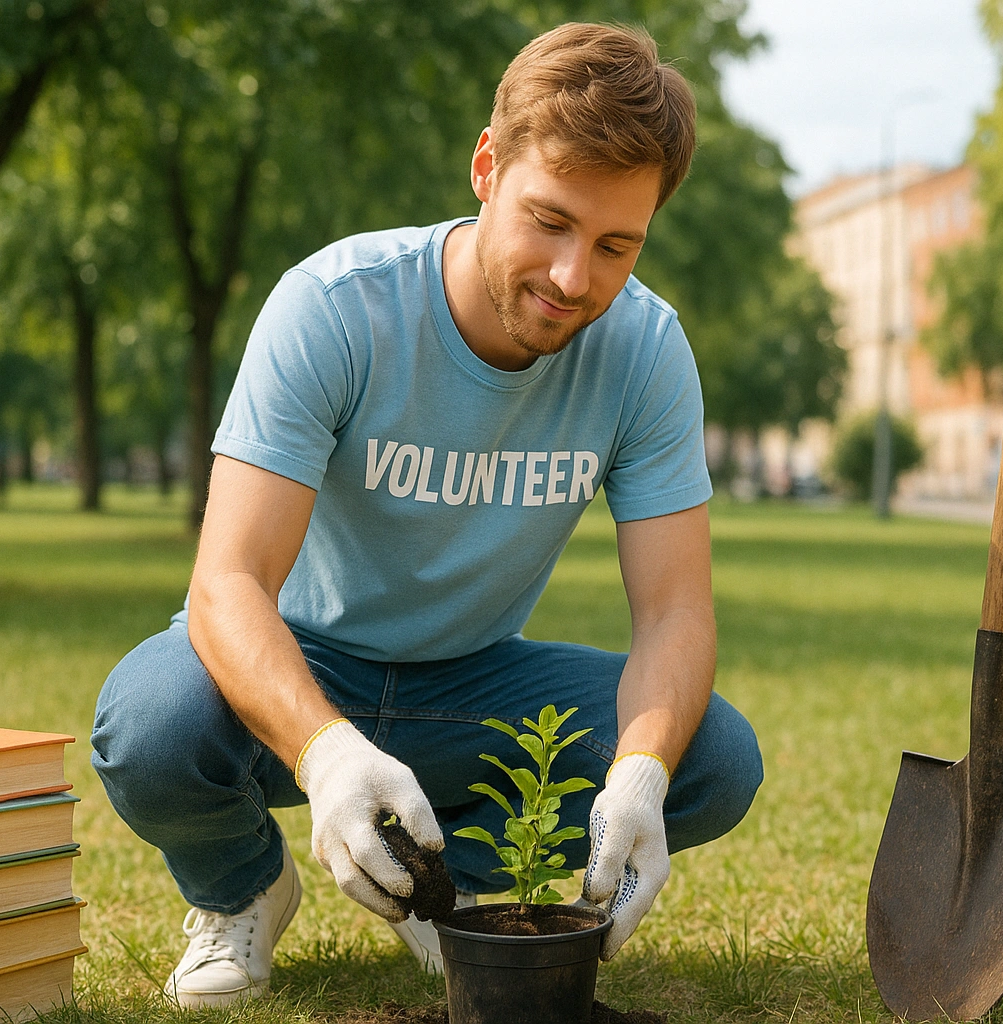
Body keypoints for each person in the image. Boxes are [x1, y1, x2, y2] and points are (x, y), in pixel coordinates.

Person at [91, 22, 763, 1009]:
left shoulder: (649, 352)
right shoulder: (334, 309)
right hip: (303, 657)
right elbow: (227, 581)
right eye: (550, 220)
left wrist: (641, 777)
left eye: (617, 244)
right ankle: (245, 886)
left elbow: (675, 613)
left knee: (710, 759)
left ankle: (437, 887)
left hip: (475, 680)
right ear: (487, 169)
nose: (576, 277)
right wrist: (325, 757)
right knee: (150, 723)